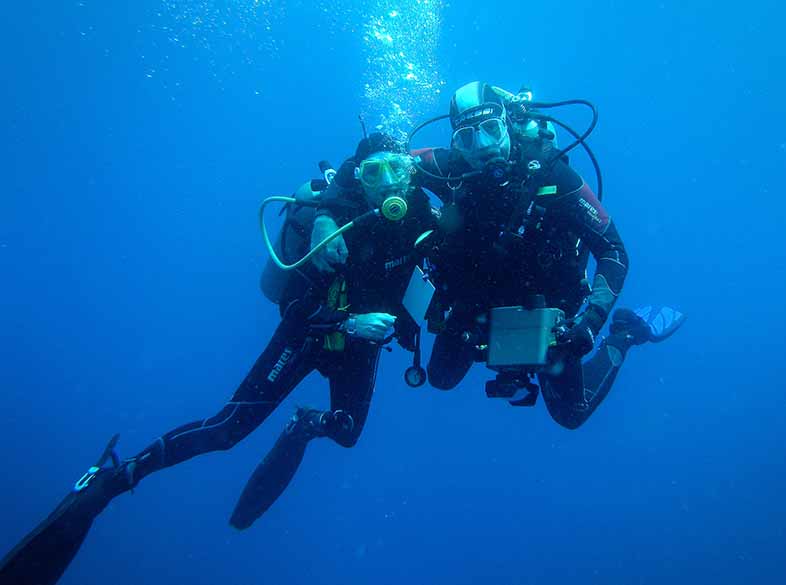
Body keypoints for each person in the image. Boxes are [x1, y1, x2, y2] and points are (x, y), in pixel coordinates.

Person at [0, 133, 435, 585]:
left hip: (360, 345)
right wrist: (347, 321)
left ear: (411, 173)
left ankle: (304, 425)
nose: (387, 183)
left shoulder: (422, 216)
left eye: (397, 169)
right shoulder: (332, 223)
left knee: (346, 433)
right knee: (227, 430)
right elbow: (293, 306)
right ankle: (117, 478)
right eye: (374, 172)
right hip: (306, 336)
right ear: (358, 178)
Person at [415, 81, 685, 428]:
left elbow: (613, 250)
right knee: (441, 377)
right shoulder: (449, 168)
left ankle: (626, 333)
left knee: (571, 414)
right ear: (455, 143)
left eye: (491, 129)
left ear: (508, 124)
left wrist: (592, 321)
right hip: (477, 302)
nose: (482, 146)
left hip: (547, 307)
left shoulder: (551, 172)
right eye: (467, 137)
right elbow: (380, 163)